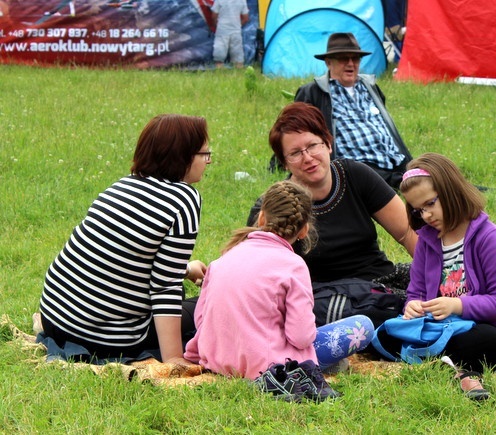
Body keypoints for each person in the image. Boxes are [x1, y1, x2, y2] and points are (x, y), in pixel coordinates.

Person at [249, 102, 496, 357]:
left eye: (313, 145)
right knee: (437, 318)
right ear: (283, 160)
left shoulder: (354, 175)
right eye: (295, 152)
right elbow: (256, 262)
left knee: (474, 285)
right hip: (335, 295)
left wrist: (451, 266)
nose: (308, 157)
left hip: (382, 272)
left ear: (328, 143)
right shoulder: (276, 204)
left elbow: (406, 234)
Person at [39, 114, 210, 365]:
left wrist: (185, 269)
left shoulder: (123, 185)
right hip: (100, 336)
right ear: (183, 156)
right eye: (205, 154)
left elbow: (124, 259)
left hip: (55, 317)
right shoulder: (184, 199)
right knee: (207, 304)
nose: (208, 161)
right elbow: (164, 287)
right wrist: (173, 358)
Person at [294, 32, 496, 193]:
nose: (351, 64)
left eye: (355, 59)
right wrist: (284, 163)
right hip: (359, 167)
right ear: (328, 62)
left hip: (394, 160)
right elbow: (296, 132)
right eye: (343, 59)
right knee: (424, 184)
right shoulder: (314, 92)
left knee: (436, 169)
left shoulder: (369, 87)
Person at [185, 180, 373, 386]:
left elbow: (201, 320)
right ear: (304, 231)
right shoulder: (293, 265)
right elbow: (301, 337)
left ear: (262, 216)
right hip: (269, 367)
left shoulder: (223, 259)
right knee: (362, 326)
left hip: (216, 360)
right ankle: (322, 365)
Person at [399, 153, 496, 399]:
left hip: (488, 330)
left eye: (430, 204)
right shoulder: (427, 240)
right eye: (418, 211)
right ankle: (441, 358)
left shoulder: (490, 239)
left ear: (451, 191)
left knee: (486, 342)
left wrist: (457, 305)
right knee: (383, 331)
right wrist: (412, 306)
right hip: (442, 328)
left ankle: (435, 357)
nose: (425, 215)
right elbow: (415, 291)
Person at [211, 0, 249, 68]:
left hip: (222, 30)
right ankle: (238, 74)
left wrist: (216, 25)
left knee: (219, 57)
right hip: (236, 31)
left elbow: (214, 16)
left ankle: (219, 73)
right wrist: (238, 26)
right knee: (238, 59)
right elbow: (245, 18)